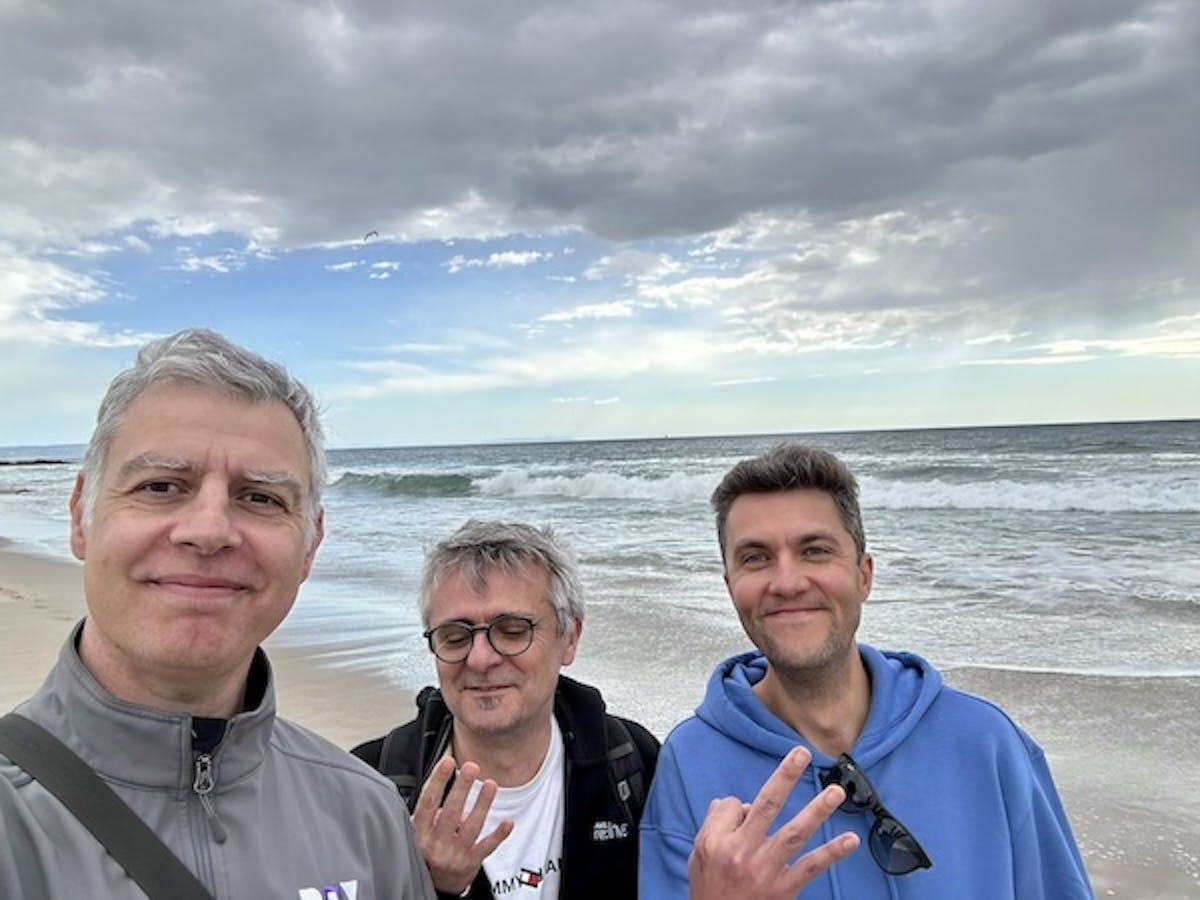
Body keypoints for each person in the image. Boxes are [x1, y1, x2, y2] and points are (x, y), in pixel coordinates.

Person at [0, 328, 435, 898]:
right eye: (161, 485)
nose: (208, 531)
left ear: (310, 545)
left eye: (260, 497)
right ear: (82, 514)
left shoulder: (368, 818)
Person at [640, 443, 1094, 899]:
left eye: (815, 551)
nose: (787, 582)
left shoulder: (985, 741)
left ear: (864, 575)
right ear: (730, 586)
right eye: (755, 557)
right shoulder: (691, 761)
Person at [353, 520, 660, 899]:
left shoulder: (633, 763)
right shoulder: (372, 788)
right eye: (455, 636)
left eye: (513, 631)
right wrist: (431, 888)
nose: (480, 659)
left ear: (570, 638)